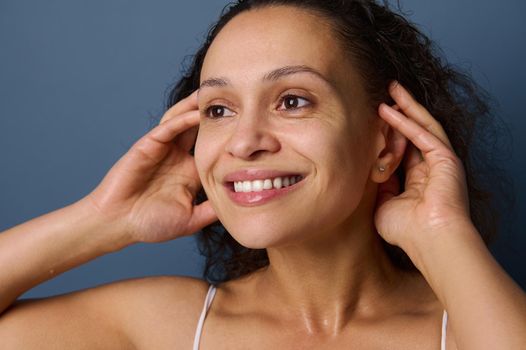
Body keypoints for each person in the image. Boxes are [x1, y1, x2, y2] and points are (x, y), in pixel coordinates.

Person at [0, 0, 525, 348]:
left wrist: (442, 235)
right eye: (219, 110)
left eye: (292, 101)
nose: (245, 141)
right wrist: (104, 219)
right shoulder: (166, 329)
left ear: (382, 142)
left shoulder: (470, 327)